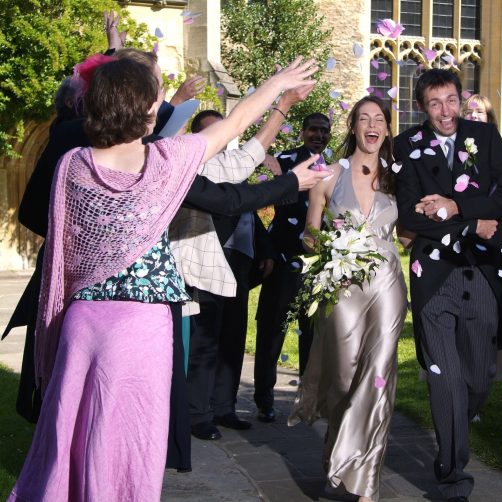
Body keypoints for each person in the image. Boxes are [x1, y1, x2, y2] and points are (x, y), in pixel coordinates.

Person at [8, 55, 326, 502]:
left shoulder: (74, 165)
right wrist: (278, 84)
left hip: (81, 322)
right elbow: (235, 123)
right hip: (140, 327)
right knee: (131, 444)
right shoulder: (162, 163)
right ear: (146, 110)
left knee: (73, 440)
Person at [393, 69, 502, 501]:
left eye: (451, 101)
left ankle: (453, 434)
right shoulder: (405, 146)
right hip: (432, 277)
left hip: (482, 274)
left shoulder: (483, 139)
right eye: (434, 104)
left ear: (461, 99)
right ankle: (452, 475)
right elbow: (409, 217)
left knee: (480, 377)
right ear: (420, 107)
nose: (445, 112)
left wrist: (452, 206)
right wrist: (470, 222)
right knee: (444, 379)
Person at [287, 96, 408, 502]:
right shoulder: (328, 175)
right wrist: (328, 250)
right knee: (343, 377)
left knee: (378, 374)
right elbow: (309, 231)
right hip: (342, 287)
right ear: (353, 127)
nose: (372, 125)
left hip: (387, 285)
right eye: (363, 119)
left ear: (387, 129)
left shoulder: (399, 177)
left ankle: (365, 479)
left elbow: (408, 233)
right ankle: (336, 459)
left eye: (379, 119)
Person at [181, 82, 313, 441]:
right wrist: (281, 104)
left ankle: (224, 406)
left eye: (222, 130)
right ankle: (198, 413)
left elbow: (248, 207)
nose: (219, 137)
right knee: (205, 341)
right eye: (211, 131)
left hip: (236, 266)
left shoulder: (227, 164)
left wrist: (266, 252)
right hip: (203, 264)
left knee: (233, 337)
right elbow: (239, 191)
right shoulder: (192, 166)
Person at [254, 112, 332, 423]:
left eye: (324, 131)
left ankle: (307, 402)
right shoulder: (285, 161)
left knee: (312, 339)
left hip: (316, 266)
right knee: (272, 333)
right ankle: (264, 400)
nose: (318, 135)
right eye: (313, 130)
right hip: (284, 262)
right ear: (302, 132)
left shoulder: (333, 168)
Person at [461, 93, 502, 398]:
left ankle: (478, 387)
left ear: (490, 120)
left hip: (491, 239)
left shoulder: (496, 153)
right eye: (469, 112)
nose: (474, 117)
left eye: (481, 114)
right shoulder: (450, 151)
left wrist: (469, 207)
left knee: (488, 317)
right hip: (458, 239)